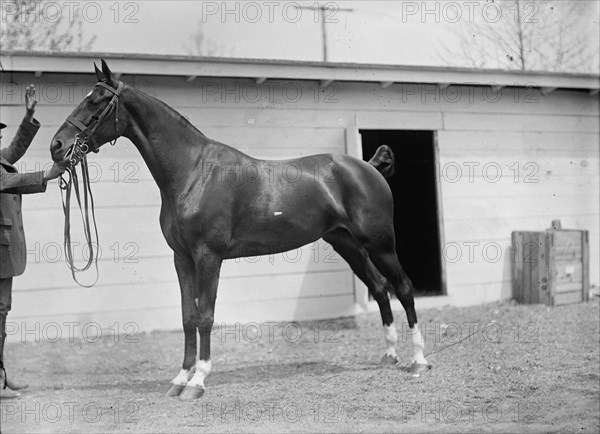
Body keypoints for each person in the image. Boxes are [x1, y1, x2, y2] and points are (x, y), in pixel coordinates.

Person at [0, 85, 67, 399]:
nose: (0, 139)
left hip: (4, 253)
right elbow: (9, 180)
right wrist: (48, 174)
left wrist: (28, 116)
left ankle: (0, 374)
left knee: (2, 310)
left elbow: (14, 149)